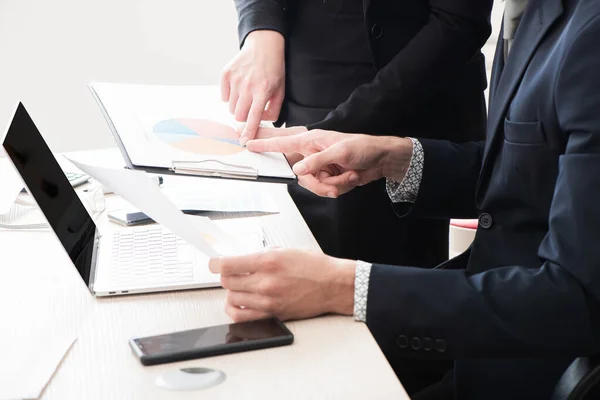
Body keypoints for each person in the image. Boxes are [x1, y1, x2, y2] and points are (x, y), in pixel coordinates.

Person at [210, 0, 600, 398]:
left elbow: (577, 300)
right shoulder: (536, 11)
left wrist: (344, 287)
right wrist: (394, 159)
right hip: (482, 344)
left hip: (523, 372)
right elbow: (527, 178)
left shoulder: (590, 35)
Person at [221, 0, 492, 272]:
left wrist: (338, 127)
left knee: (380, 295)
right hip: (305, 97)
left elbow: (459, 22)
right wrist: (261, 30)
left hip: (415, 104)